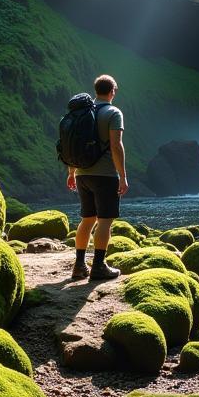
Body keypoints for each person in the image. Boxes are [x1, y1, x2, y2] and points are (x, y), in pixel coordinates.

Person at [68, 74, 129, 280]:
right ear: (112, 91)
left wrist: (71, 172)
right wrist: (122, 176)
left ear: (96, 90)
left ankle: (78, 266)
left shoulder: (81, 113)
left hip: (81, 174)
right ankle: (99, 266)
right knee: (104, 222)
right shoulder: (113, 113)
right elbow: (116, 146)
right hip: (104, 175)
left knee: (87, 220)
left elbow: (72, 144)